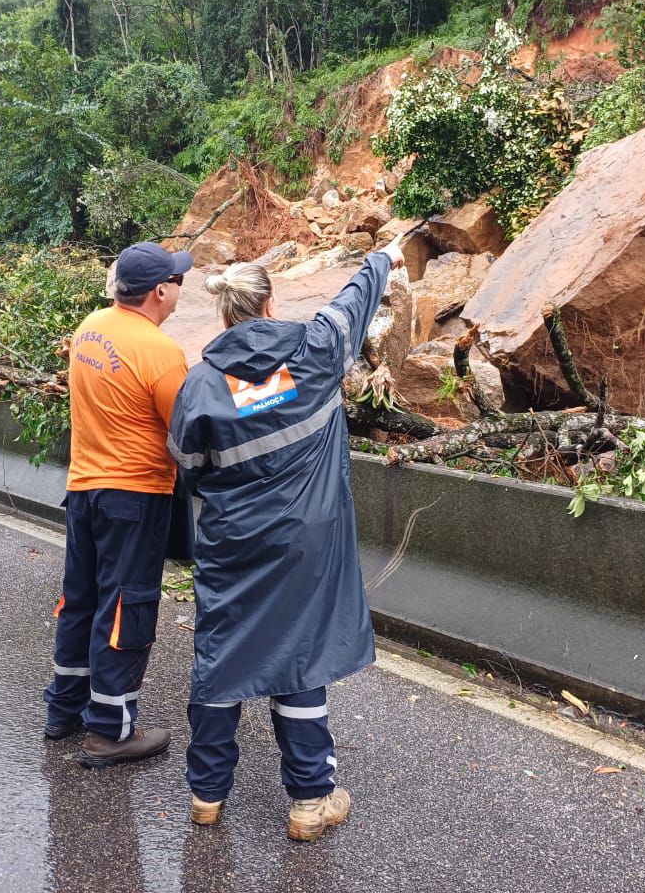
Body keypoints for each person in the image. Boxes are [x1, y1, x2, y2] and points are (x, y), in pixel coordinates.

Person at [167, 237, 407, 841]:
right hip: (306, 544)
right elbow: (350, 302)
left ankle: (207, 795)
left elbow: (190, 466)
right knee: (300, 655)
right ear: (270, 303)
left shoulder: (200, 385)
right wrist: (383, 257)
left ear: (226, 313)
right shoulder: (315, 353)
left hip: (232, 545)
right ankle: (310, 800)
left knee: (222, 655)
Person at [43, 241, 193, 769]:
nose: (180, 287)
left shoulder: (89, 327)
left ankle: (64, 710)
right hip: (134, 494)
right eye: (176, 280)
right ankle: (110, 729)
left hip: (84, 488)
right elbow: (189, 430)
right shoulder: (160, 352)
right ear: (159, 291)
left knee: (80, 598)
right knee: (126, 606)